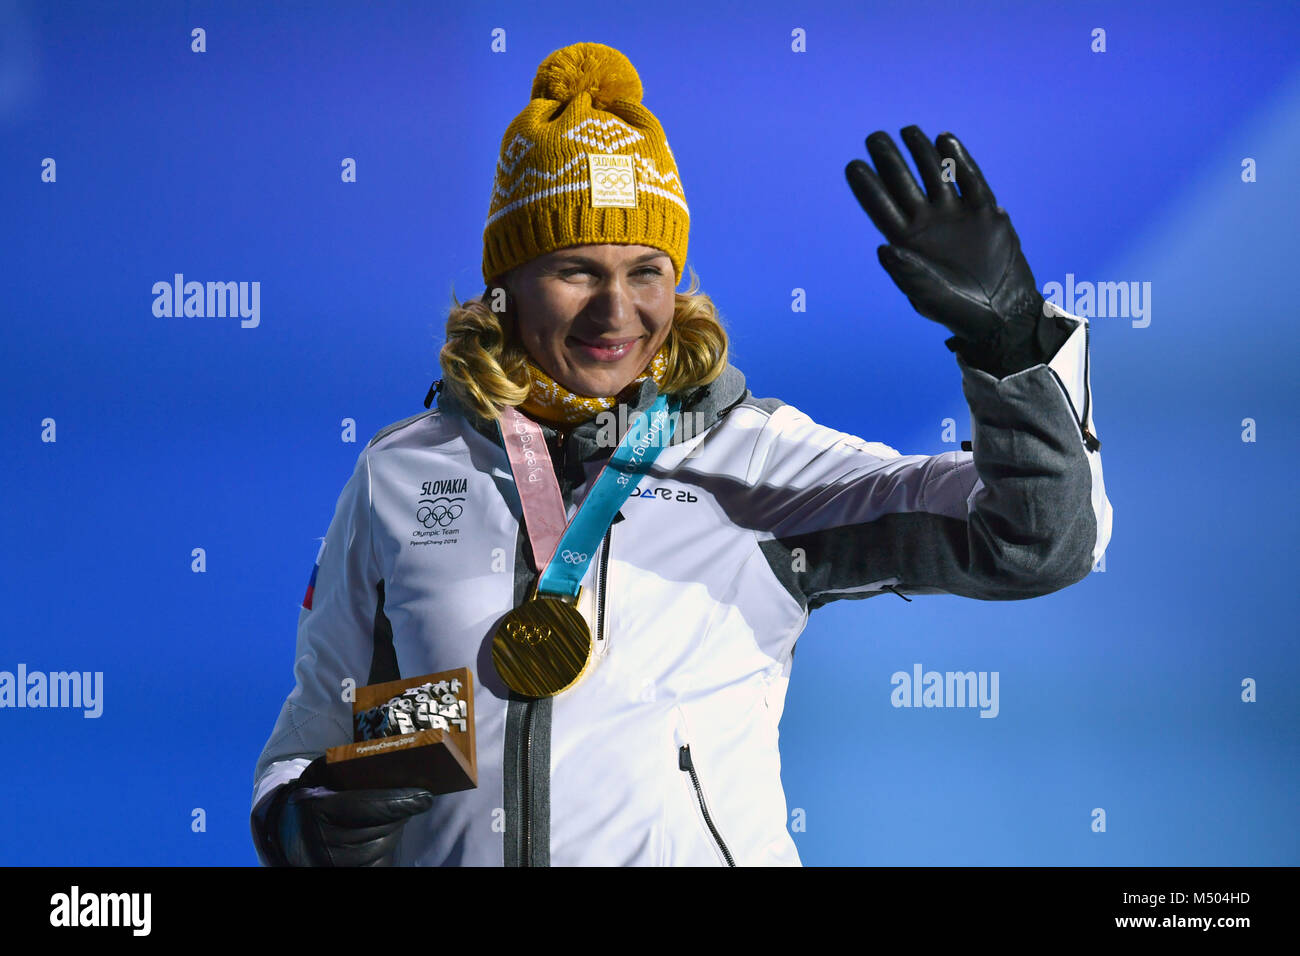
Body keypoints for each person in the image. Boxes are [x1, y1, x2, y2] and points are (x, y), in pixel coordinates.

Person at [250, 41, 1113, 867]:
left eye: (647, 270)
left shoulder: (757, 461)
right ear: (503, 286)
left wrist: (1008, 344)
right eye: (576, 269)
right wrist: (304, 827)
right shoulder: (403, 473)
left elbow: (1034, 542)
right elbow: (315, 739)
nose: (615, 312)